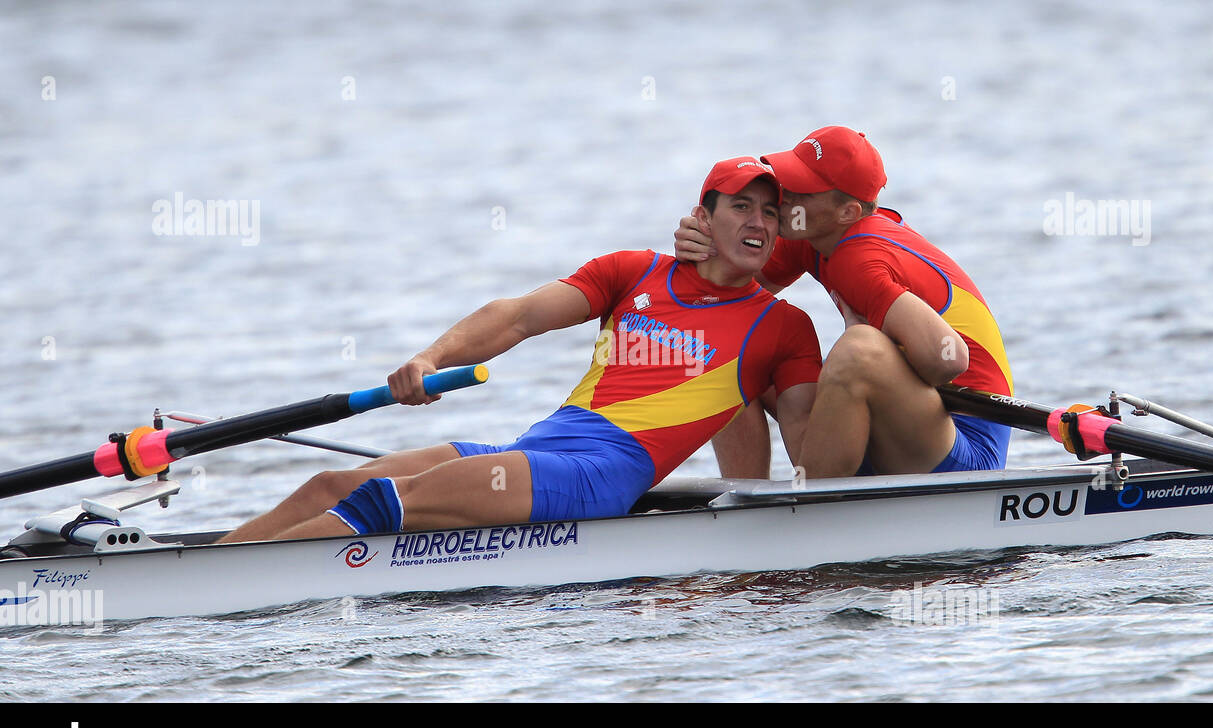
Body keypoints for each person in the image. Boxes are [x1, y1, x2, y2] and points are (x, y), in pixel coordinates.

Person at [218, 157, 821, 543]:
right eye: (742, 205)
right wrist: (431, 360)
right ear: (702, 218)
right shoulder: (633, 271)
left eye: (771, 213)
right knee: (332, 484)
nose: (760, 222)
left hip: (598, 477)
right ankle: (218, 561)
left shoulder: (783, 328)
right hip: (538, 449)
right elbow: (518, 317)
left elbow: (809, 448)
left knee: (386, 500)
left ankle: (233, 579)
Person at [675, 126, 1013, 479]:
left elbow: (950, 359)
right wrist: (705, 247)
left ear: (848, 213)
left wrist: (879, 357)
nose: (783, 197)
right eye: (786, 179)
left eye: (801, 190)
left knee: (858, 348)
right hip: (896, 429)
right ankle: (745, 498)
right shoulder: (812, 234)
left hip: (964, 446)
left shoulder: (860, 257)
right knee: (726, 343)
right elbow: (717, 300)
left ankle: (814, 504)